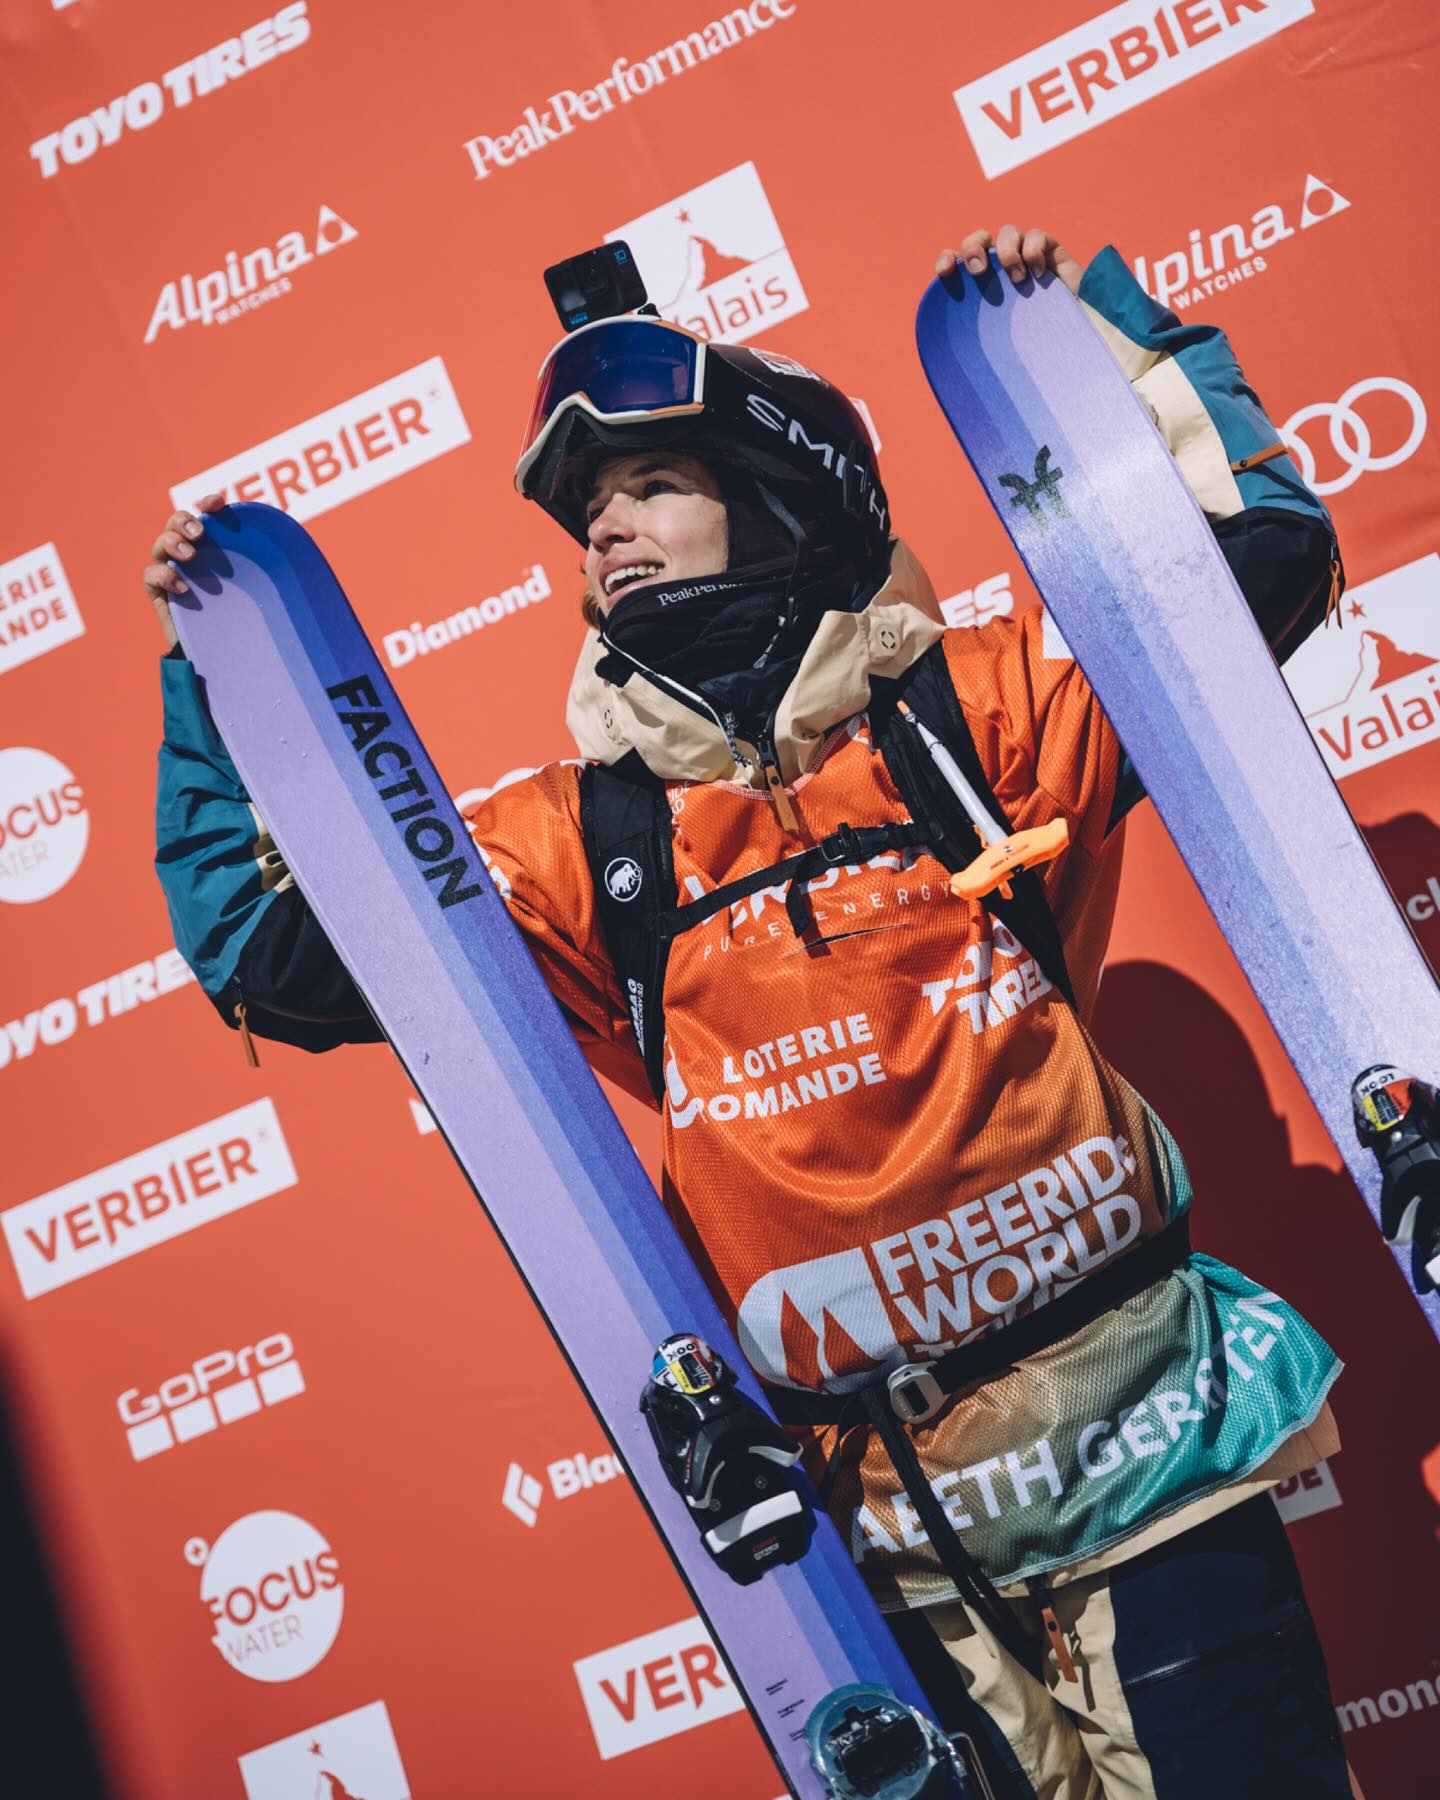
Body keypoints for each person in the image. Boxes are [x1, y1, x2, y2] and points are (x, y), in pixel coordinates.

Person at [147, 226, 1355, 1798]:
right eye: (589, 511)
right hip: (875, 1549)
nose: (606, 530)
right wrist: (221, 667)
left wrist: (1082, 328)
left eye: (650, 486)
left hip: (1147, 1458)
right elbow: (269, 951)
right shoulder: (577, 844)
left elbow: (1257, 561)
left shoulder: (970, 713)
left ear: (781, 495)